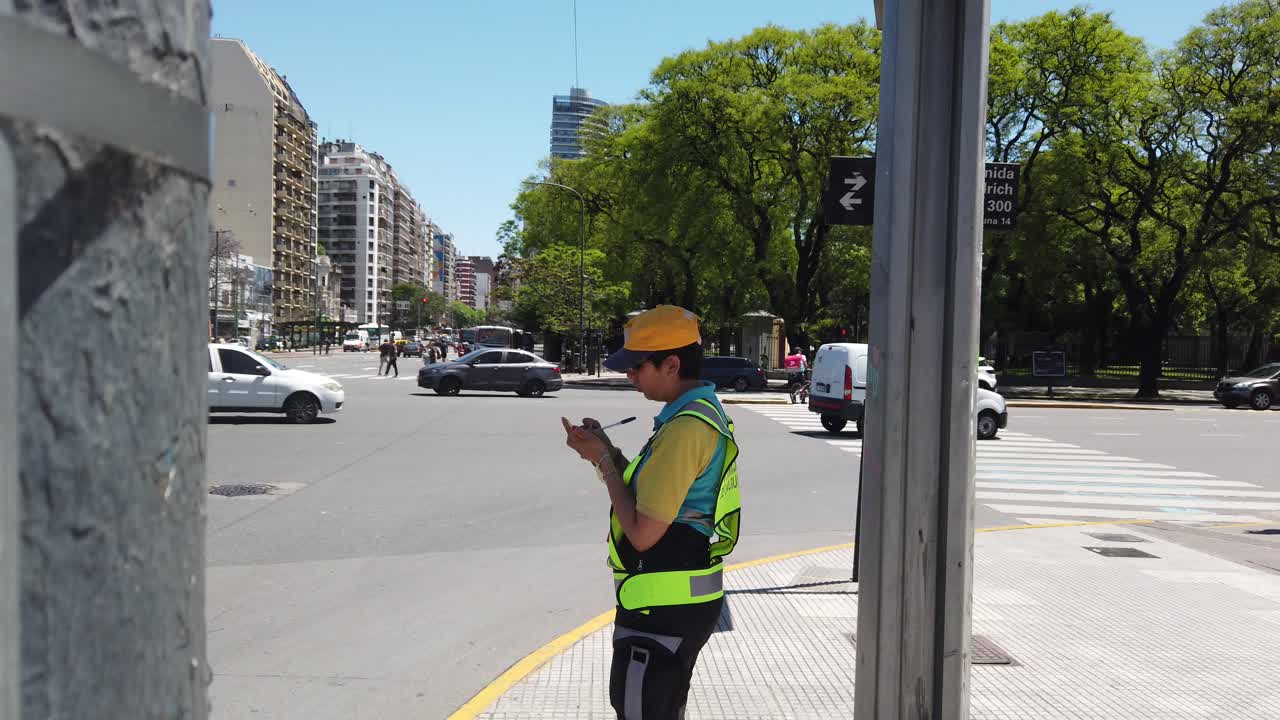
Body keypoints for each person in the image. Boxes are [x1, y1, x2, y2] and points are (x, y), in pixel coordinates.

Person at [562, 305, 741, 720]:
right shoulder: (695, 414)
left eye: (636, 367)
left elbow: (643, 532)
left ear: (672, 364)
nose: (630, 376)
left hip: (662, 611)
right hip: (672, 602)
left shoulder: (686, 428)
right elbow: (656, 495)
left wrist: (604, 463)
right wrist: (606, 451)